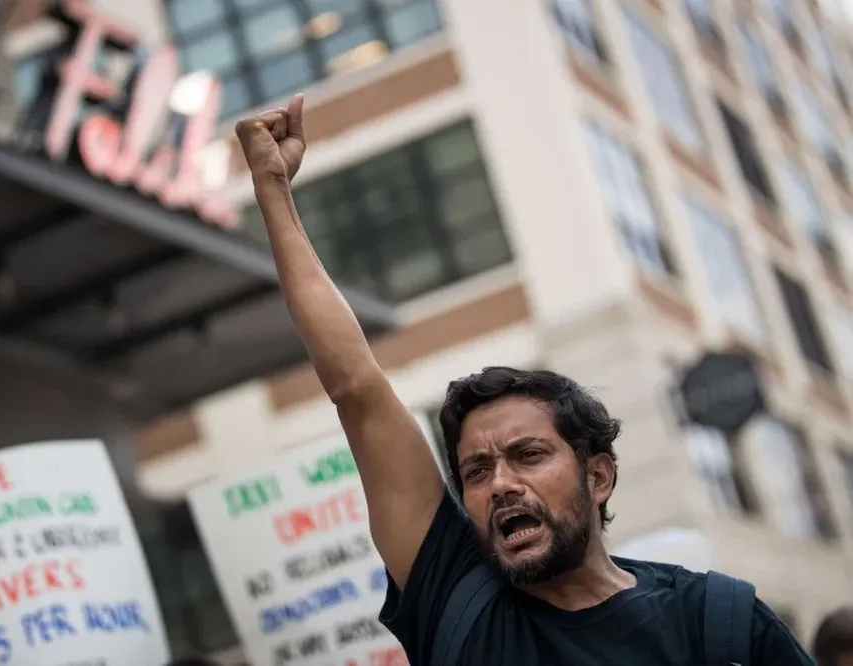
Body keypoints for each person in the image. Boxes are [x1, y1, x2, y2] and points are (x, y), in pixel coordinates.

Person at [234, 94, 814, 665]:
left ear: (598, 475)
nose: (501, 485)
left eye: (528, 455)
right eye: (476, 471)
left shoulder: (721, 623)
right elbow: (356, 389)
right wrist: (272, 189)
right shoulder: (453, 597)